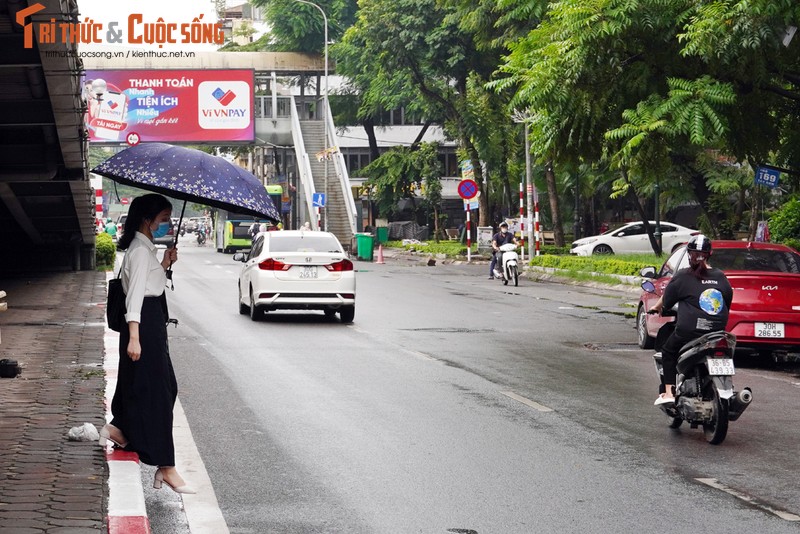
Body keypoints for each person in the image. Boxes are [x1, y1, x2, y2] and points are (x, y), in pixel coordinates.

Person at [101, 194, 195, 494]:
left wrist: (165, 264)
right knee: (159, 392)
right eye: (164, 219)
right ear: (147, 218)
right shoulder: (140, 253)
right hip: (144, 326)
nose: (166, 224)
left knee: (146, 385)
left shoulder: (144, 249)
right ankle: (166, 466)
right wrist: (135, 337)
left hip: (149, 324)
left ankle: (120, 428)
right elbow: (135, 297)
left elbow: (150, 286)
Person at [648, 235, 733, 405]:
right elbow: (727, 301)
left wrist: (658, 308)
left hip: (689, 333)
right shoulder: (721, 276)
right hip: (717, 332)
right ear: (710, 254)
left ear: (689, 254)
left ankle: (669, 392)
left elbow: (668, 300)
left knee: (668, 351)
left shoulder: (682, 276)